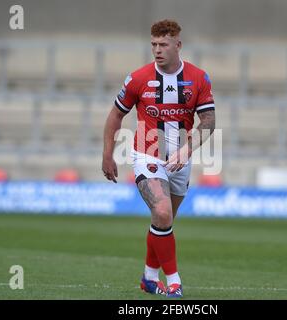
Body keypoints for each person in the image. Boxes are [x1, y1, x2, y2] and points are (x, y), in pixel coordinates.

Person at [102, 19, 215, 298]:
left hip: (180, 160)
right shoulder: (138, 78)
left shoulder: (198, 78)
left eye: (163, 44)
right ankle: (174, 281)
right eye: (153, 44)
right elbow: (116, 115)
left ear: (178, 45)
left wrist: (187, 150)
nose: (157, 50)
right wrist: (108, 154)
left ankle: (149, 279)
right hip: (146, 155)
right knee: (162, 211)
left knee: (163, 220)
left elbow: (209, 121)